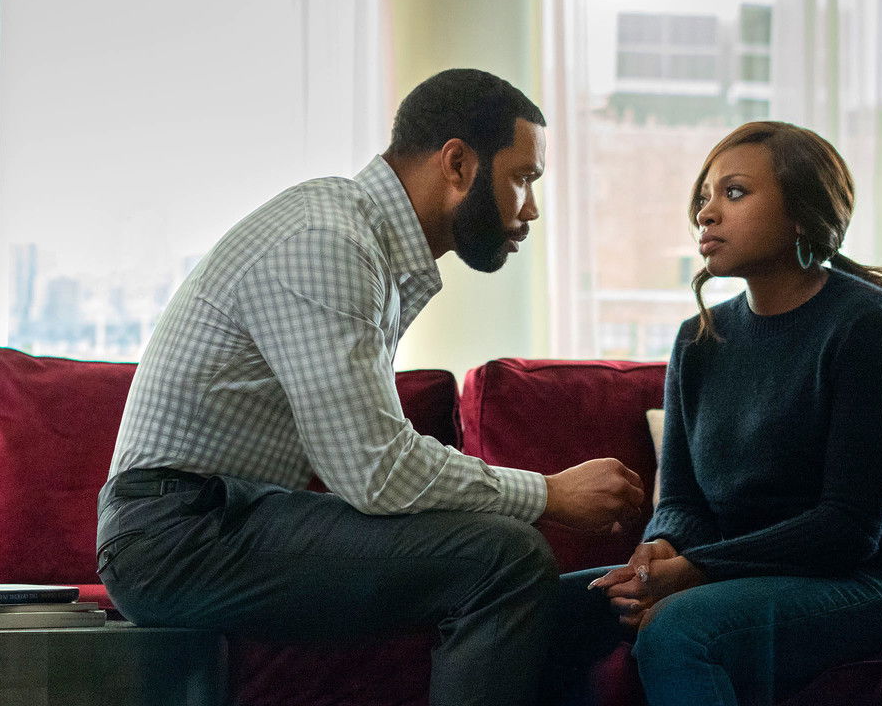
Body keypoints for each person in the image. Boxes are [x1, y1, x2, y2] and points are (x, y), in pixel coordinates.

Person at [94, 68, 645, 706]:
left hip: (228, 517)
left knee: (530, 578)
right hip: (176, 536)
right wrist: (548, 493)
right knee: (505, 557)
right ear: (458, 164)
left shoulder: (359, 239)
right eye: (523, 178)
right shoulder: (328, 241)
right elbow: (376, 472)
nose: (531, 209)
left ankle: (610, 604)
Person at [544, 121, 882, 706]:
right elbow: (682, 501)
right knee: (537, 608)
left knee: (680, 628)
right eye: (704, 198)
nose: (707, 213)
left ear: (802, 213)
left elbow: (848, 529)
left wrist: (695, 571)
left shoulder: (871, 328)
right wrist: (662, 550)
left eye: (734, 193)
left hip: (874, 582)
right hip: (737, 574)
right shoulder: (699, 339)